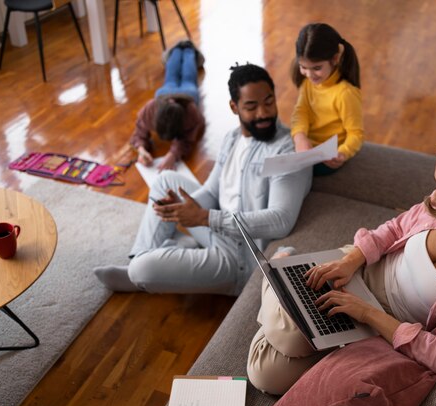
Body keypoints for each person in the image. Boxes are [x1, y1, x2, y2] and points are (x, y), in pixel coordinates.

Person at [247, 128, 436, 395]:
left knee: (265, 374)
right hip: (361, 271)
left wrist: (367, 314)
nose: (433, 199)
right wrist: (351, 260)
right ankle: (282, 277)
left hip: (380, 325)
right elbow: (394, 229)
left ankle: (278, 272)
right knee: (291, 339)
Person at [94, 63, 312, 295]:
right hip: (214, 227)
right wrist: (183, 209)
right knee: (165, 180)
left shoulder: (287, 150)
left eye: (269, 102)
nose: (263, 113)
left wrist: (204, 217)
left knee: (142, 270)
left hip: (237, 257)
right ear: (234, 107)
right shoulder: (232, 138)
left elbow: (281, 220)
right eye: (251, 106)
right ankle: (141, 259)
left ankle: (141, 271)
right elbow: (211, 191)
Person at [290, 23, 364, 175]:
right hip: (307, 147)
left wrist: (342, 153)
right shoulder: (308, 83)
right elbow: (301, 112)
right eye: (303, 67)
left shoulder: (345, 93)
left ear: (335, 59)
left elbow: (356, 134)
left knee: (289, 174)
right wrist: (300, 137)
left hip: (328, 157)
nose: (309, 75)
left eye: (316, 68)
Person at [130, 41, 206, 171]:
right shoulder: (152, 108)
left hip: (188, 96)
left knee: (176, 77)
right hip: (167, 94)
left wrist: (173, 154)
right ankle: (187, 49)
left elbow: (190, 136)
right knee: (185, 77)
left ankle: (180, 49)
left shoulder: (190, 112)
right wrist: (141, 150)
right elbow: (139, 134)